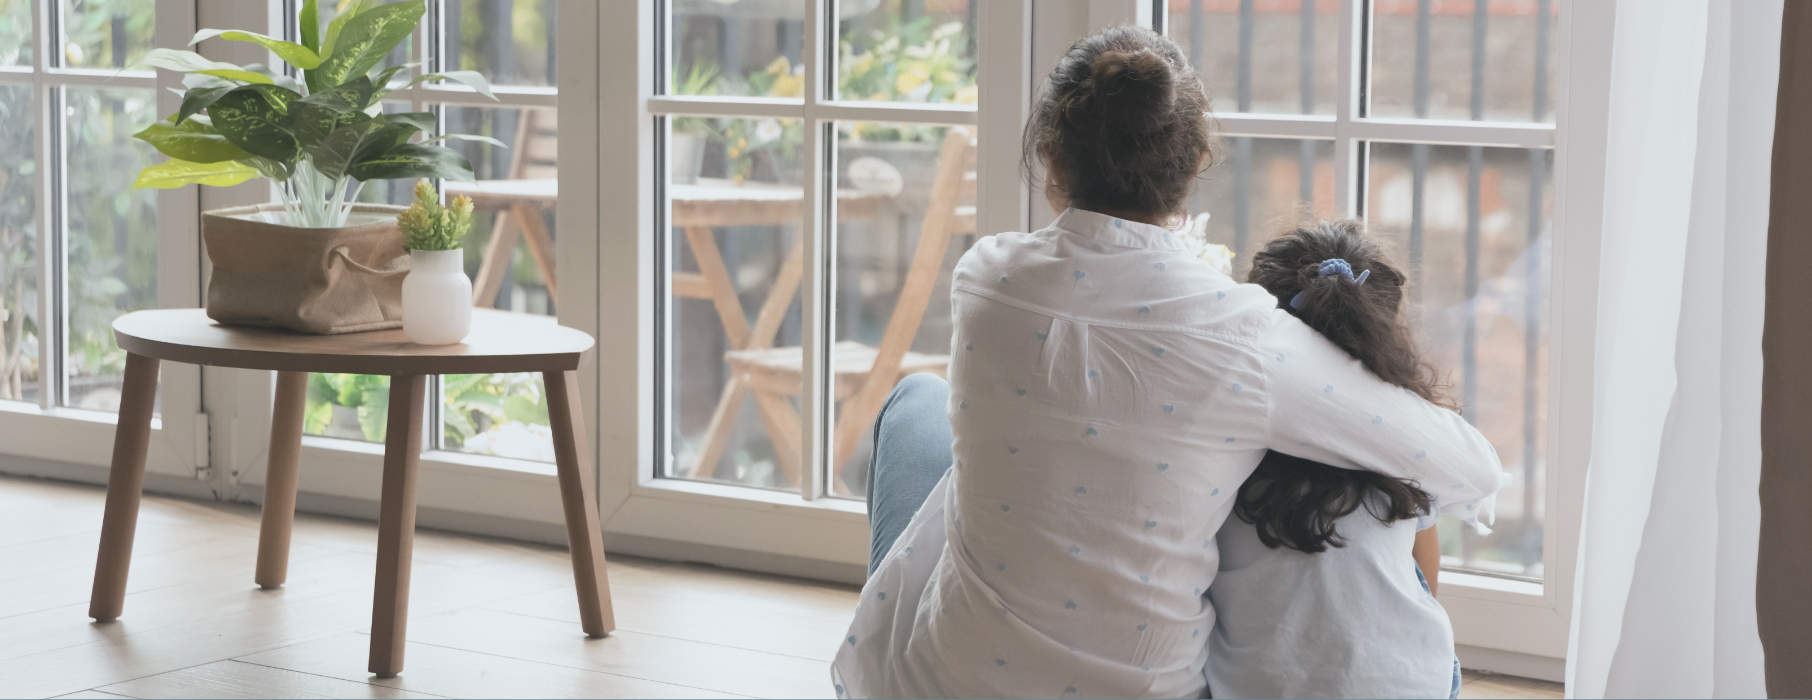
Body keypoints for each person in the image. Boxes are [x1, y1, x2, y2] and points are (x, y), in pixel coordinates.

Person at [831, 25, 1502, 699]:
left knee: (916, 403)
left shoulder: (984, 277)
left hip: (950, 682)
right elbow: (1469, 466)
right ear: (1197, 158)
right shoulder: (1244, 333)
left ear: (1051, 159)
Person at [1208, 220, 1481, 699]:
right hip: (1404, 682)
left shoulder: (1226, 430)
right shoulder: (1407, 436)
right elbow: (1427, 579)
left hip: (1257, 685)